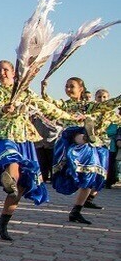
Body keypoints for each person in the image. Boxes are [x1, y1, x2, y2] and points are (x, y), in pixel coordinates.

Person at [0, 61, 77, 241]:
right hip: (5, 134)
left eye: (5, 70)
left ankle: (3, 221)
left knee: (22, 185)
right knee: (12, 160)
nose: (1, 73)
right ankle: (8, 180)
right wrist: (6, 108)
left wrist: (72, 117)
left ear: (14, 72)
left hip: (25, 137)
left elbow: (46, 107)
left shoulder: (26, 92)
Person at [43, 78, 120, 222]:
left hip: (91, 145)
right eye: (66, 86)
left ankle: (76, 211)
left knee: (91, 176)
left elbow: (109, 105)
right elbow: (49, 103)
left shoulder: (89, 107)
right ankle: (85, 136)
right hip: (70, 138)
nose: (68, 89)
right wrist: (44, 91)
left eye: (72, 86)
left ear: (81, 89)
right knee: (78, 133)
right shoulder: (64, 104)